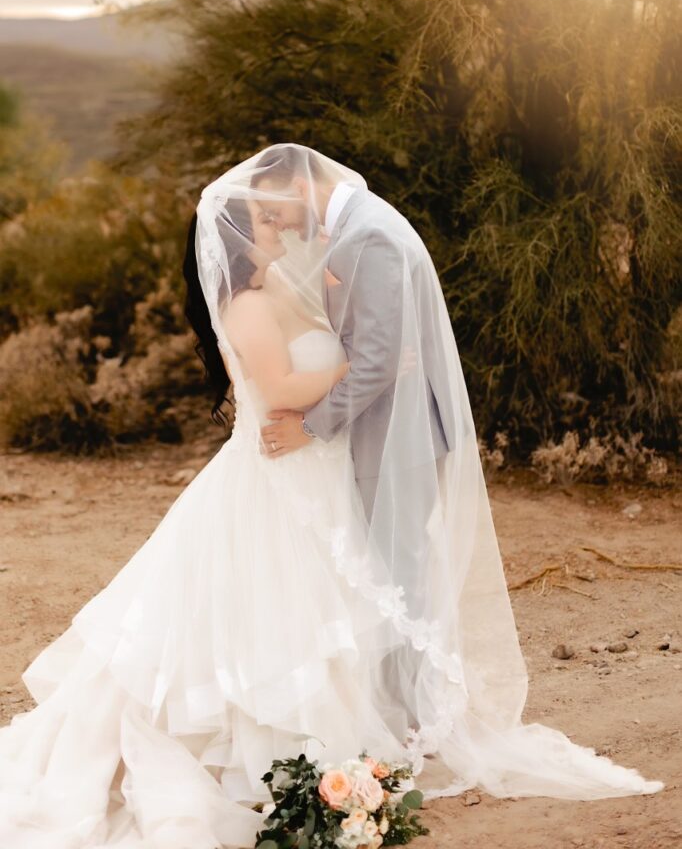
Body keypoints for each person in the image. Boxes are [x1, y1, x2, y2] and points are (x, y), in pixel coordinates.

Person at [0, 144, 664, 849]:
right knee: (304, 595)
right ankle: (328, 730)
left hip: (319, 461)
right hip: (288, 467)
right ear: (234, 239)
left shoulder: (305, 270)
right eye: (261, 223)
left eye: (273, 212)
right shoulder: (249, 301)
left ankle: (395, 717)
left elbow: (343, 341)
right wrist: (366, 362)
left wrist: (366, 358)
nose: (277, 228)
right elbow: (284, 387)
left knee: (356, 585)